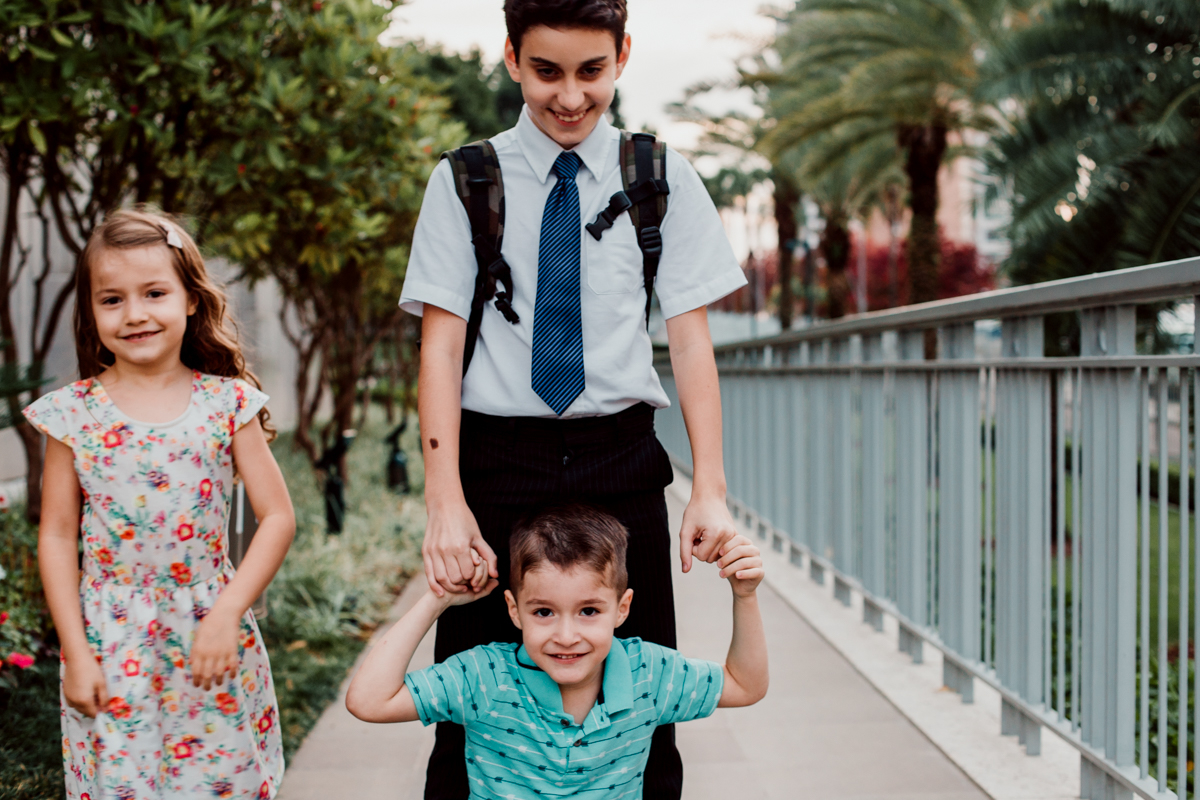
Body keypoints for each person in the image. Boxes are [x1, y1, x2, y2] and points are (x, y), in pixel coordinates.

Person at [400, 1, 747, 796]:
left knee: (641, 702)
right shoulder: (465, 180)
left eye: (591, 72)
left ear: (623, 53)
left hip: (620, 462)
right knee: (470, 700)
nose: (569, 97)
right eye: (547, 71)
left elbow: (690, 340)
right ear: (512, 58)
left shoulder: (658, 177)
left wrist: (711, 490)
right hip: (497, 463)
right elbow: (442, 346)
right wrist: (444, 501)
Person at [24, 209, 294, 800]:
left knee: (218, 781)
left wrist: (226, 615)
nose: (135, 314)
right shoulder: (72, 415)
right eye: (112, 299)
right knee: (123, 783)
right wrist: (75, 649)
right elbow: (57, 534)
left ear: (191, 299)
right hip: (108, 644)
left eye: (154, 293)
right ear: (91, 311)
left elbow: (278, 517)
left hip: (210, 635)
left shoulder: (228, 404)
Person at [346, 504, 768, 799]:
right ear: (514, 610)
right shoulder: (483, 677)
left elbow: (745, 686)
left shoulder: (649, 675)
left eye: (588, 611)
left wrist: (745, 596)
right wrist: (436, 600)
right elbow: (368, 700)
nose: (566, 635)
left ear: (622, 609)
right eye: (544, 611)